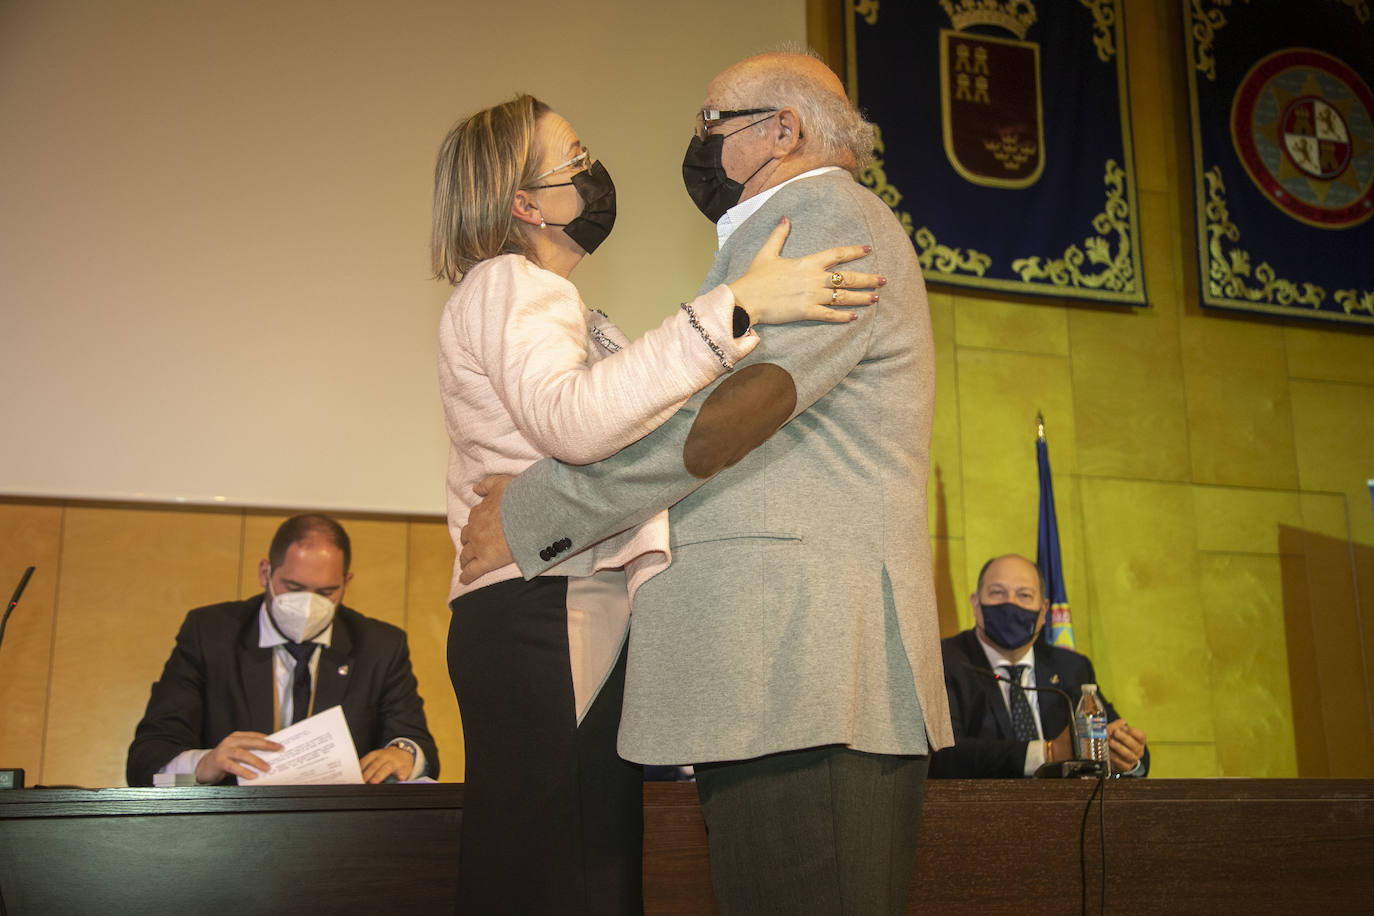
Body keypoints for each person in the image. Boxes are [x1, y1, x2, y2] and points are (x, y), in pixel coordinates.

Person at [456, 52, 954, 915]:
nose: (695, 145)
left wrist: (534, 512)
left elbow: (726, 421)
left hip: (805, 670)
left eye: (709, 125)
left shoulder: (821, 219)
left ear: (781, 131)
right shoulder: (774, 238)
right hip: (777, 677)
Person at [126, 514, 438, 787]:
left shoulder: (379, 646)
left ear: (346, 583)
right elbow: (145, 766)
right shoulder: (209, 635)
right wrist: (203, 765)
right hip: (228, 833)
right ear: (265, 573)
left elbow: (420, 749)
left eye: (326, 592)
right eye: (294, 587)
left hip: (340, 835)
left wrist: (404, 754)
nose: (308, 605)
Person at [930, 553, 1149, 778]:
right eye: (997, 593)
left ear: (1044, 611)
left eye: (1024, 595)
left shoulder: (1071, 668)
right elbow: (940, 754)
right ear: (976, 604)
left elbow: (1121, 744)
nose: (1011, 603)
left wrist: (1127, 756)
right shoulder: (942, 661)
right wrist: (1048, 753)